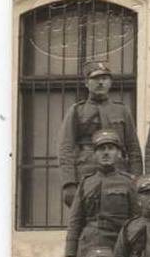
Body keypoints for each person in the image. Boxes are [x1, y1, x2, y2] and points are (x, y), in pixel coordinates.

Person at [58, 61, 142, 208]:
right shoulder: (77, 111)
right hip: (86, 173)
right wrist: (69, 183)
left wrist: (136, 178)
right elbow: (66, 148)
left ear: (110, 82)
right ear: (86, 83)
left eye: (105, 78)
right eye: (96, 79)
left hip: (119, 173)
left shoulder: (122, 110)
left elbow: (133, 148)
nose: (101, 82)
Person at [63, 129, 139, 257]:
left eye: (111, 148)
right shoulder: (86, 183)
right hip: (88, 250)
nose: (106, 153)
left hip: (117, 248)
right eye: (101, 149)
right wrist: (70, 255)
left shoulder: (129, 183)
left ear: (118, 153)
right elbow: (75, 221)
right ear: (95, 154)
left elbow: (136, 223)